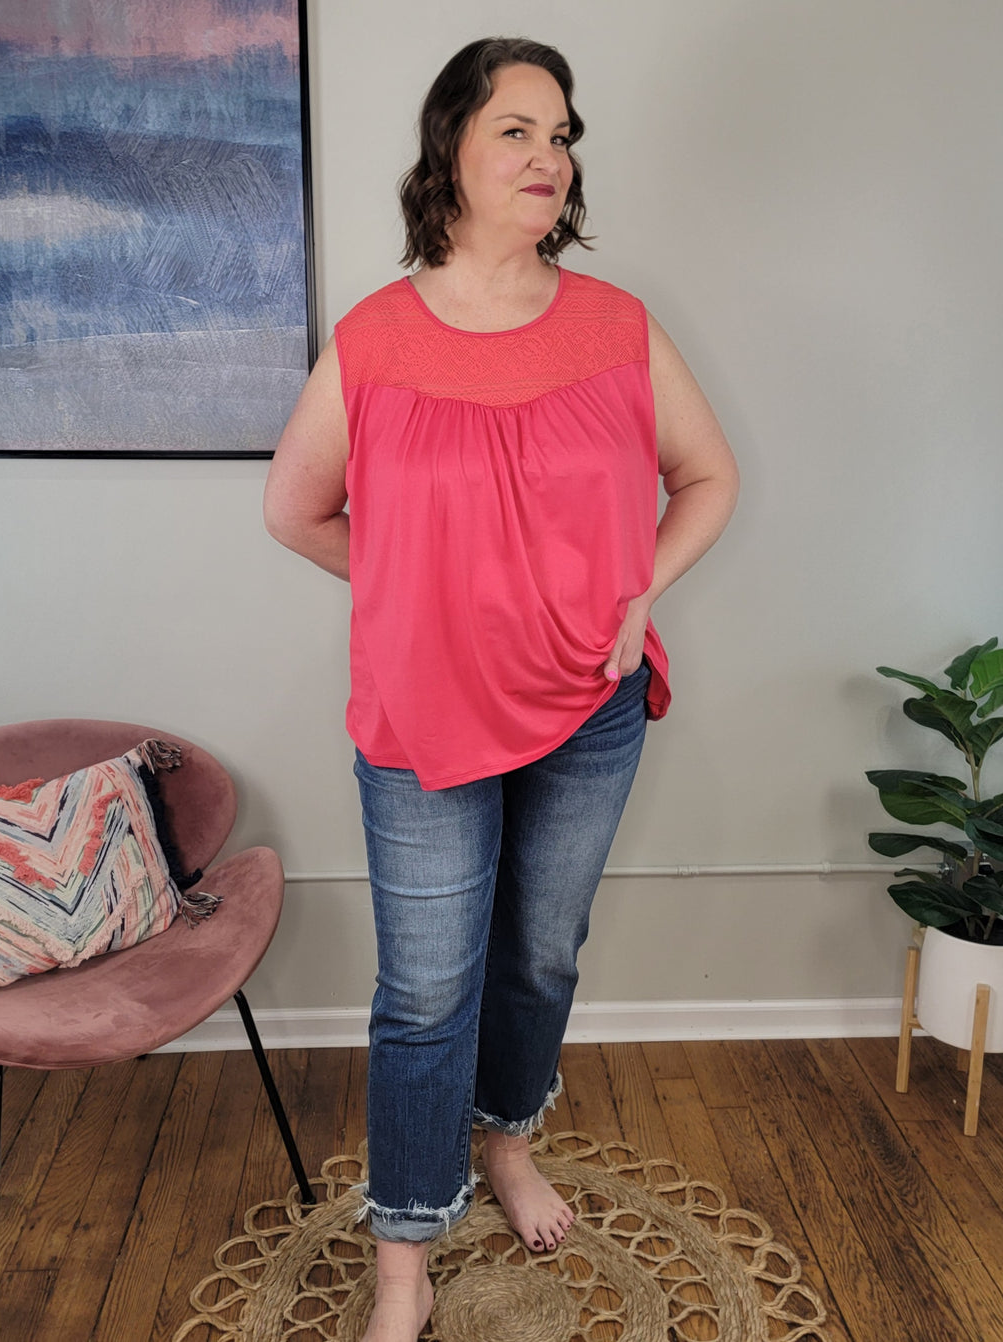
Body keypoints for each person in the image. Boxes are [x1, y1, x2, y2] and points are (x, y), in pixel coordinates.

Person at [263, 35, 739, 1342]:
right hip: (424, 722)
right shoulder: (375, 339)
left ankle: (508, 1141)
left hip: (589, 705)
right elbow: (295, 510)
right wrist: (414, 593)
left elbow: (708, 477)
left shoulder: (615, 326)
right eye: (517, 129)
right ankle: (405, 1255)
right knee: (426, 991)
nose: (550, 156)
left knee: (538, 954)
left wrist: (638, 594)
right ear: (452, 151)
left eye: (562, 133)